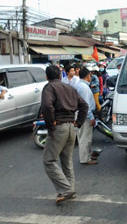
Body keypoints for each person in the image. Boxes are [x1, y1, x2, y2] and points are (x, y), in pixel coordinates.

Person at [41, 65, 88, 204]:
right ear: (61, 75)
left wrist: (50, 125)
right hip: (71, 127)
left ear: (47, 77)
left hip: (59, 127)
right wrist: (78, 123)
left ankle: (66, 189)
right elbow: (84, 105)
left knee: (48, 160)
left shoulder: (49, 88)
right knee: (67, 162)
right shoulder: (69, 88)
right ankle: (70, 191)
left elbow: (47, 107)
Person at [74, 67, 98, 165]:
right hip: (84, 115)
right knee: (85, 138)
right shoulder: (84, 88)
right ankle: (85, 159)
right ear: (88, 76)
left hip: (80, 114)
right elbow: (86, 105)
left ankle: (86, 156)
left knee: (82, 137)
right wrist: (91, 117)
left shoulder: (79, 85)